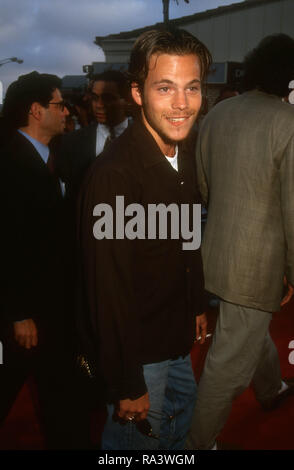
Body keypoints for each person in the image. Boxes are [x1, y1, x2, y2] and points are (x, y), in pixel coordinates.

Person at [77, 28, 211, 450]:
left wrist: (195, 305)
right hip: (137, 350)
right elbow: (106, 287)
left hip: (173, 329)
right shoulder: (114, 175)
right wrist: (125, 380)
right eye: (165, 88)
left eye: (192, 88)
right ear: (137, 92)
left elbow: (187, 234)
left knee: (181, 414)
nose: (182, 104)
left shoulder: (181, 150)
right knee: (134, 443)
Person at [186, 33, 294, 451]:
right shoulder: (287, 123)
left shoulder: (218, 113)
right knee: (227, 365)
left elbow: (203, 185)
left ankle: (271, 390)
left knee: (245, 328)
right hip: (257, 266)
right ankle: (197, 444)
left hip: (214, 253)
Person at [0, 71, 90, 449]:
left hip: (53, 310)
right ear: (36, 110)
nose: (66, 111)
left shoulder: (53, 158)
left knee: (61, 398)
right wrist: (18, 312)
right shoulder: (8, 163)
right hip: (27, 315)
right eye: (59, 104)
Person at [55, 70, 130, 203]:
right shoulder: (70, 143)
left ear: (126, 100)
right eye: (95, 98)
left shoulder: (148, 140)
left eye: (108, 98)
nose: (99, 105)